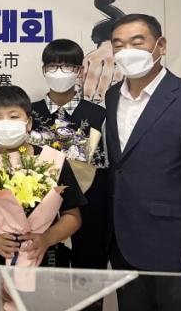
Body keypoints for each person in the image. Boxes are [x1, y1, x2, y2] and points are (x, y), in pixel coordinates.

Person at [105, 13, 181, 310]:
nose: (127, 51)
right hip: (124, 241)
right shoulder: (112, 96)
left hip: (177, 246)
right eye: (119, 45)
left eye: (137, 42)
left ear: (161, 45)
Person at [0, 85, 86, 311]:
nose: (5, 123)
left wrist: (46, 238)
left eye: (13, 116)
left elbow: (73, 216)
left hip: (41, 260)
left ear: (29, 123)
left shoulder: (52, 161)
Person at [32, 39, 109, 277]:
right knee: (42, 282)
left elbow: (106, 167)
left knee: (89, 279)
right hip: (38, 216)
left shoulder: (99, 115)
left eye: (67, 66)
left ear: (80, 71)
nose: (59, 72)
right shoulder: (28, 113)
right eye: (52, 66)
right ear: (43, 70)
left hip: (90, 212)